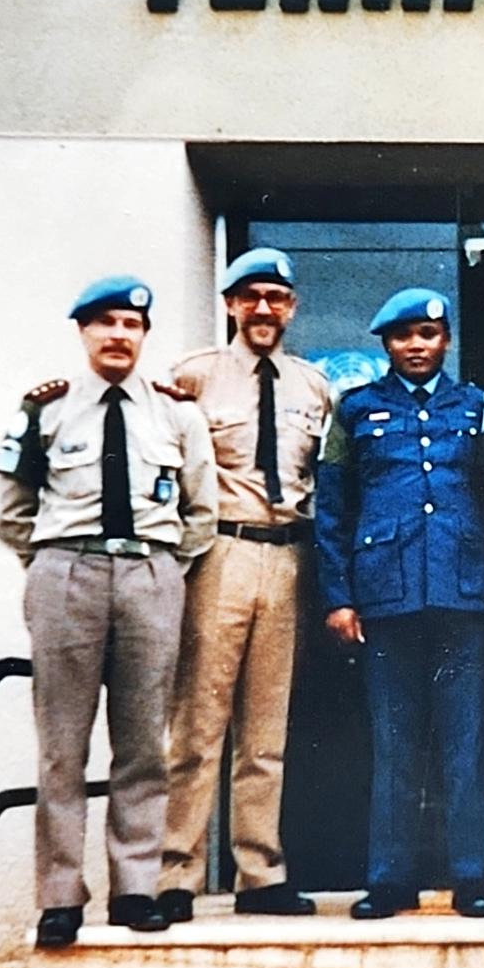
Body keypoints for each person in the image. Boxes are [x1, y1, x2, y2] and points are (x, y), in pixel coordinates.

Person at [0, 274, 215, 948]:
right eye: (106, 323)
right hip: (68, 573)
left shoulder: (175, 413)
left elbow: (200, 510)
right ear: (83, 331)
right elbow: (11, 511)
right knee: (62, 746)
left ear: (144, 336)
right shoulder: (47, 409)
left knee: (144, 742)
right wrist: (55, 563)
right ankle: (60, 896)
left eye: (131, 325)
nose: (119, 335)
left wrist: (163, 569)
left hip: (150, 572)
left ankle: (135, 889)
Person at [157, 248, 337, 921]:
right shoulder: (193, 377)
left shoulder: (314, 386)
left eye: (276, 298)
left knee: (266, 730)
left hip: (286, 559)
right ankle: (174, 875)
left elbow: (321, 475)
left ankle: (259, 874)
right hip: (221, 553)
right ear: (231, 304)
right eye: (251, 296)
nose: (264, 309)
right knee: (198, 724)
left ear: (292, 308)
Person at [316, 287, 484, 919]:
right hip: (386, 597)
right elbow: (332, 510)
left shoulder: (475, 407)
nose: (416, 346)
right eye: (403, 337)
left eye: (427, 334)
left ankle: (471, 876)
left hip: (461, 594)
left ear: (446, 340)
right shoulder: (354, 410)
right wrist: (339, 598)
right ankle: (391, 878)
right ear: (386, 345)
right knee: (395, 745)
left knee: (465, 743)